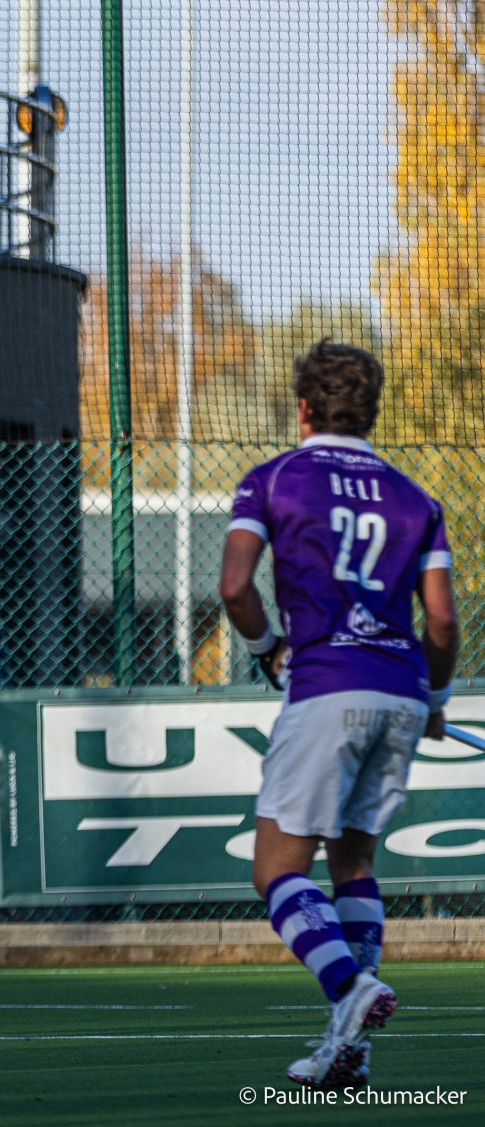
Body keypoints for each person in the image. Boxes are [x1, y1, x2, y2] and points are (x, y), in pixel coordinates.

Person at [218, 339, 459, 1092]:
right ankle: (347, 1049)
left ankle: (350, 989)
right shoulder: (418, 499)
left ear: (303, 408)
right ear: (372, 412)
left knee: (276, 871)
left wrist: (267, 649)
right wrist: (435, 700)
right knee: (353, 865)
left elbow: (234, 588)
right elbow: (442, 621)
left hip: (325, 685)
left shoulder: (272, 479)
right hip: (399, 690)